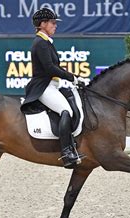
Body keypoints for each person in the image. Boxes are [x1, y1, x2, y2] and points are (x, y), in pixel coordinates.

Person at [20, 8, 82, 169]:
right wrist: (72, 77)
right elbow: (50, 68)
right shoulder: (40, 43)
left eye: (55, 23)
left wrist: (70, 77)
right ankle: (67, 152)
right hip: (42, 87)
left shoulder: (46, 42)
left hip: (52, 85)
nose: (55, 26)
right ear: (43, 24)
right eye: (53, 23)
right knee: (65, 110)